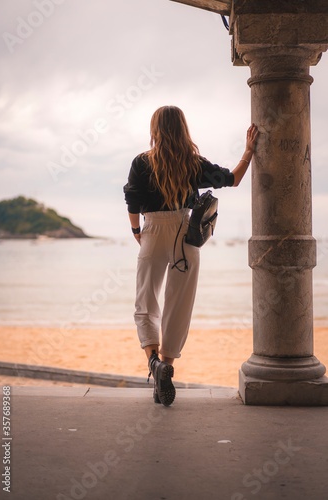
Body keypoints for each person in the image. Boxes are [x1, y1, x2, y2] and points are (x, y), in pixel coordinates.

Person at [123, 105, 258, 407]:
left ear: (154, 129)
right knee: (179, 306)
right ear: (183, 128)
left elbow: (132, 200)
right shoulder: (192, 163)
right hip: (187, 233)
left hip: (154, 230)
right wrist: (248, 151)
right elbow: (232, 179)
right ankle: (167, 367)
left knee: (146, 303)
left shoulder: (141, 163)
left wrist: (136, 231)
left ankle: (154, 365)